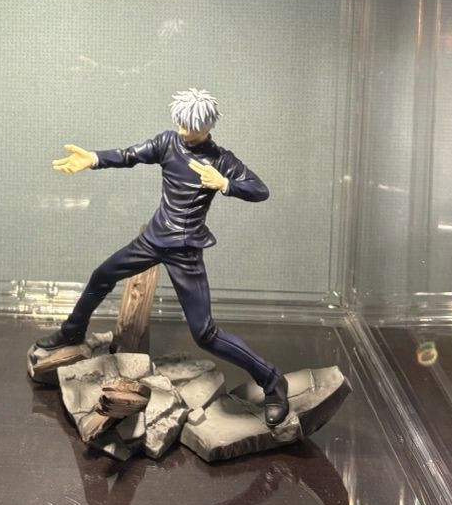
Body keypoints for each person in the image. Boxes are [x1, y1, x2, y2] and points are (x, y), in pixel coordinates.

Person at [37, 88, 289, 426]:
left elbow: (260, 190)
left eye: (192, 126)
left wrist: (225, 184)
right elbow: (129, 155)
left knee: (205, 333)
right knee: (102, 275)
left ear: (208, 125)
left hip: (185, 251)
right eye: (181, 123)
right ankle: (72, 330)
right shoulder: (168, 142)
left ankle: (272, 381)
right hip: (153, 240)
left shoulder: (221, 160)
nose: (184, 130)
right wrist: (93, 159)